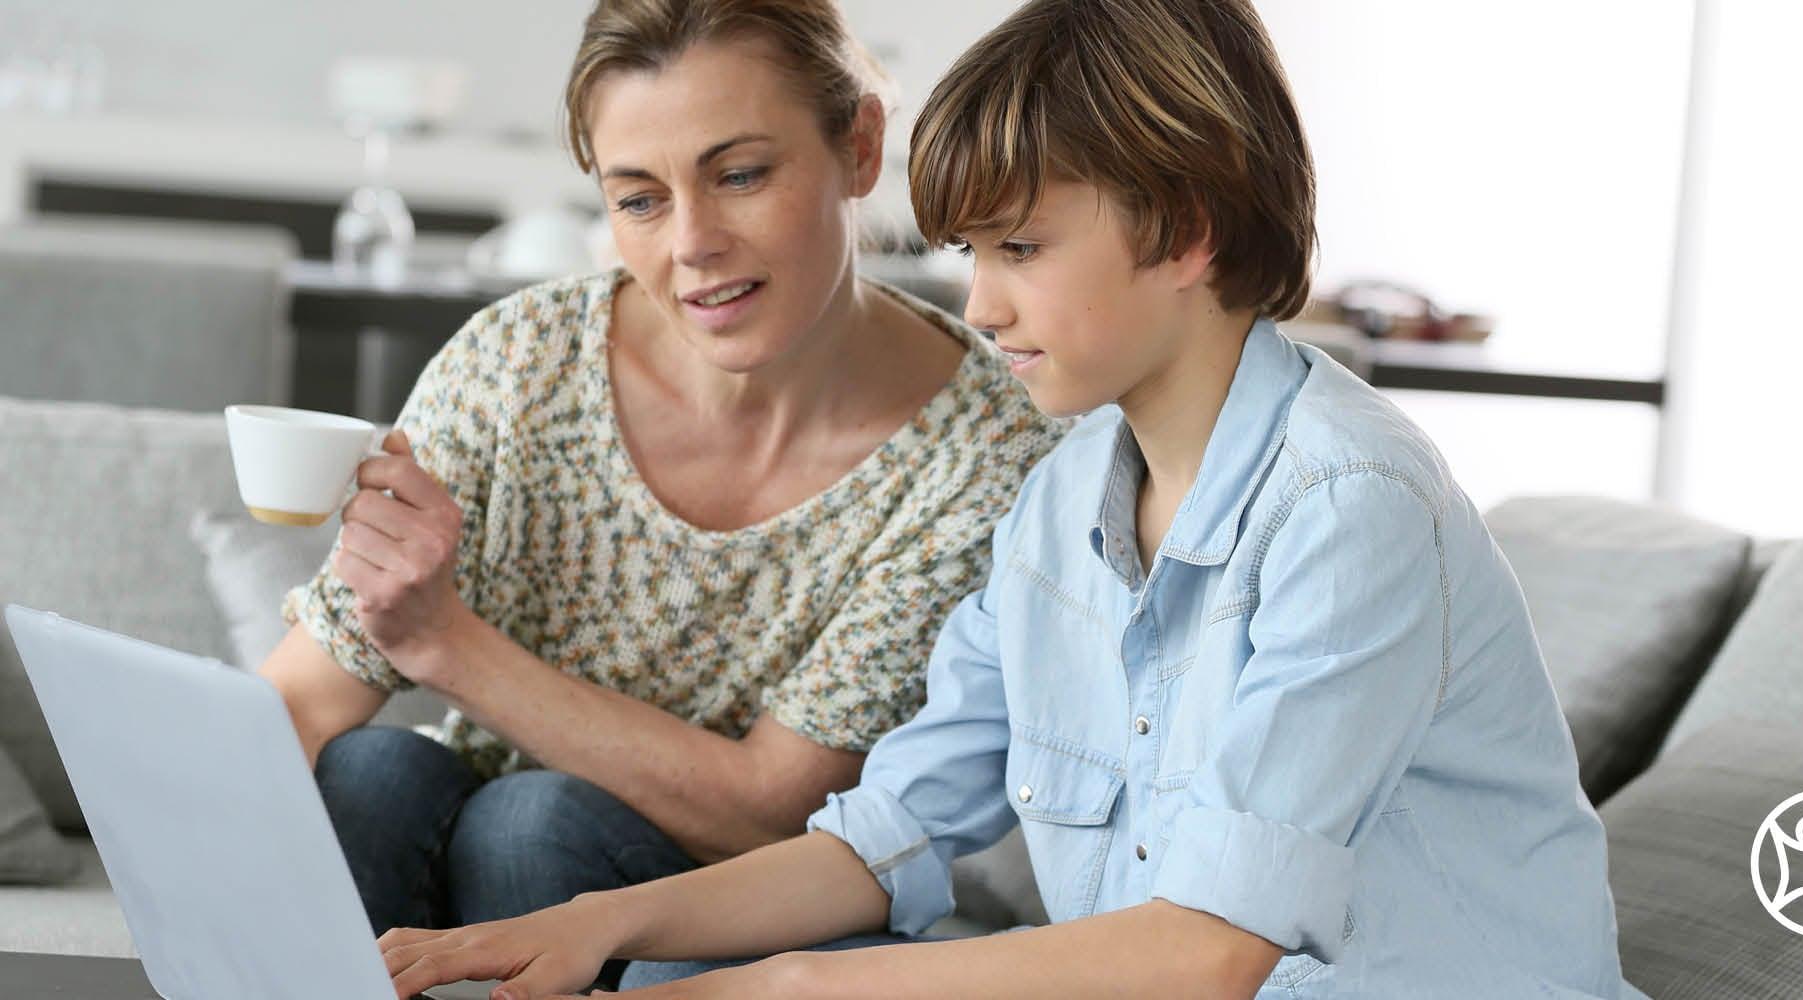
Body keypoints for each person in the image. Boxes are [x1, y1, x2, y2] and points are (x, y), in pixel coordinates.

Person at [375, 0, 1639, 996]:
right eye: (974, 255)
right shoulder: (1058, 508)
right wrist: (594, 922)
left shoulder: (1346, 503)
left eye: (1021, 251)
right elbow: (884, 836)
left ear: (1186, 227)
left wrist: (791, 986)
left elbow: (1206, 955)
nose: (978, 307)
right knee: (662, 956)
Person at [253, 0, 1063, 966]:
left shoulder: (980, 456)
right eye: (639, 198)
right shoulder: (521, 368)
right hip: (478, 853)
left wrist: (445, 644)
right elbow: (301, 705)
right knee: (370, 771)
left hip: (741, 908)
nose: (691, 243)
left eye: (741, 175)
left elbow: (777, 813)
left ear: (859, 146)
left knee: (529, 823)